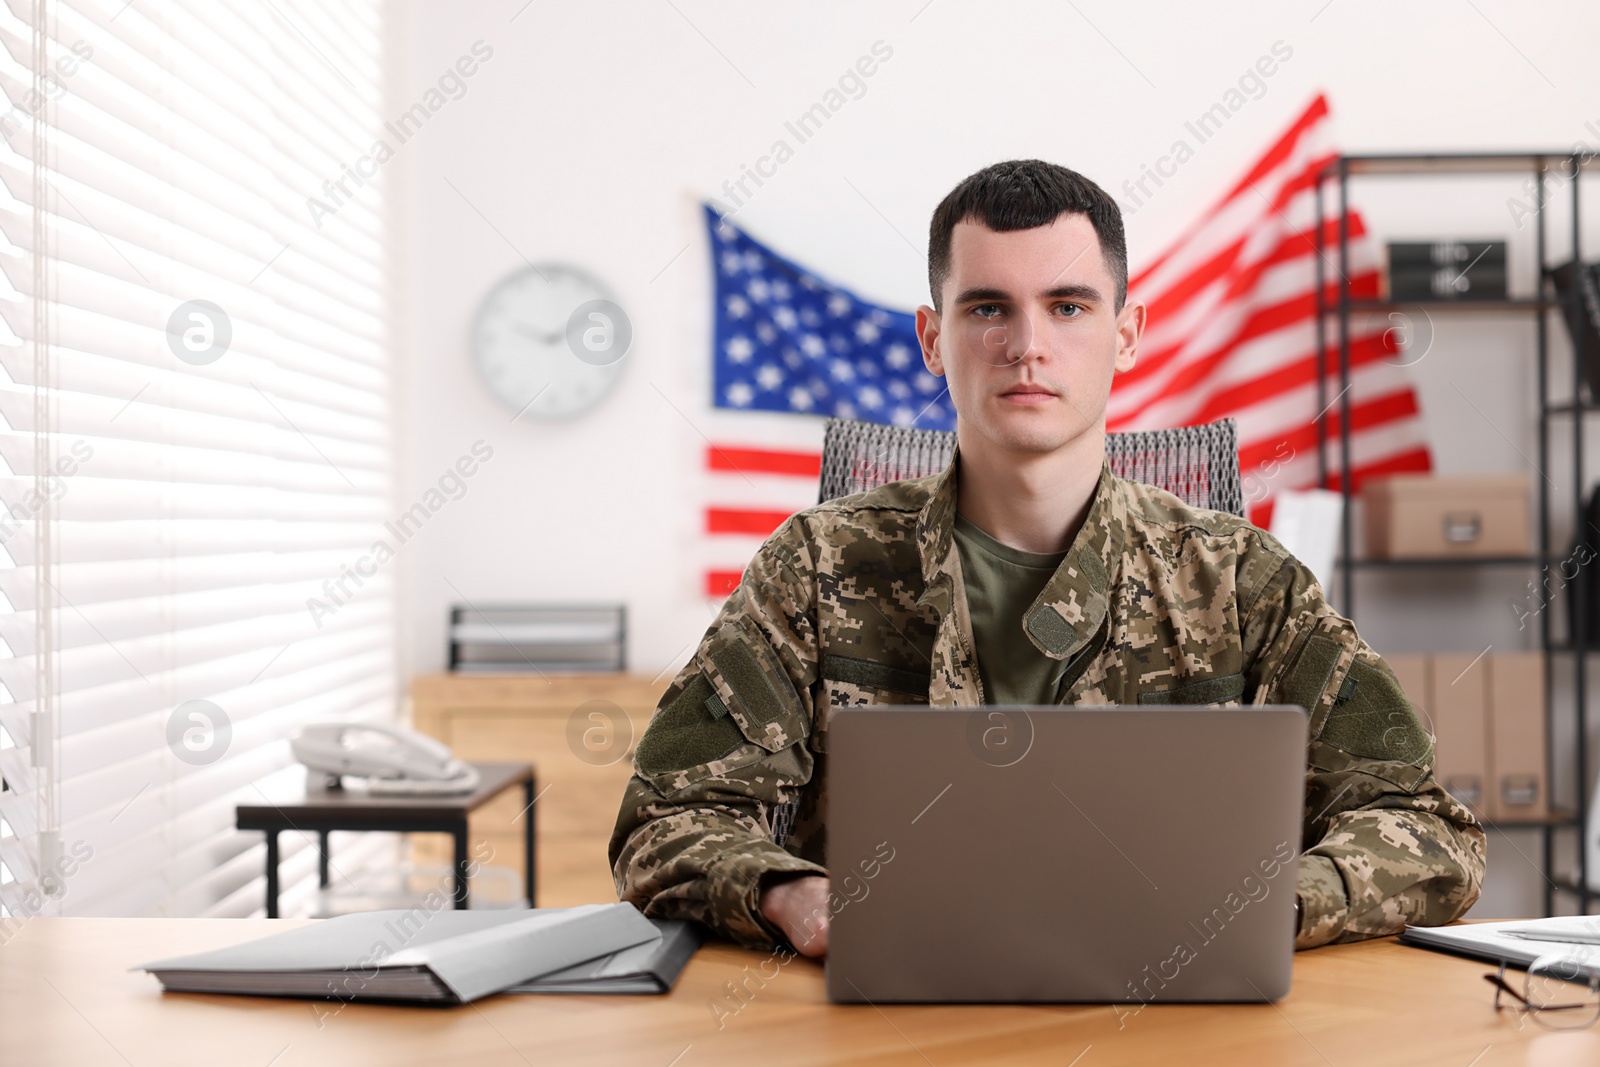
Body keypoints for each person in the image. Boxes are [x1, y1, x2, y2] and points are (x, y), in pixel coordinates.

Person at [609, 159, 1485, 958]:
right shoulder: (814, 568)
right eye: (988, 307)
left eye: (1068, 306)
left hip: (1179, 1020)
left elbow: (1425, 827)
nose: (1028, 345)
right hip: (884, 1023)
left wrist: (1270, 905)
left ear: (1128, 334)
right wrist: (789, 894)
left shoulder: (1244, 584)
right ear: (930, 337)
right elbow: (665, 817)